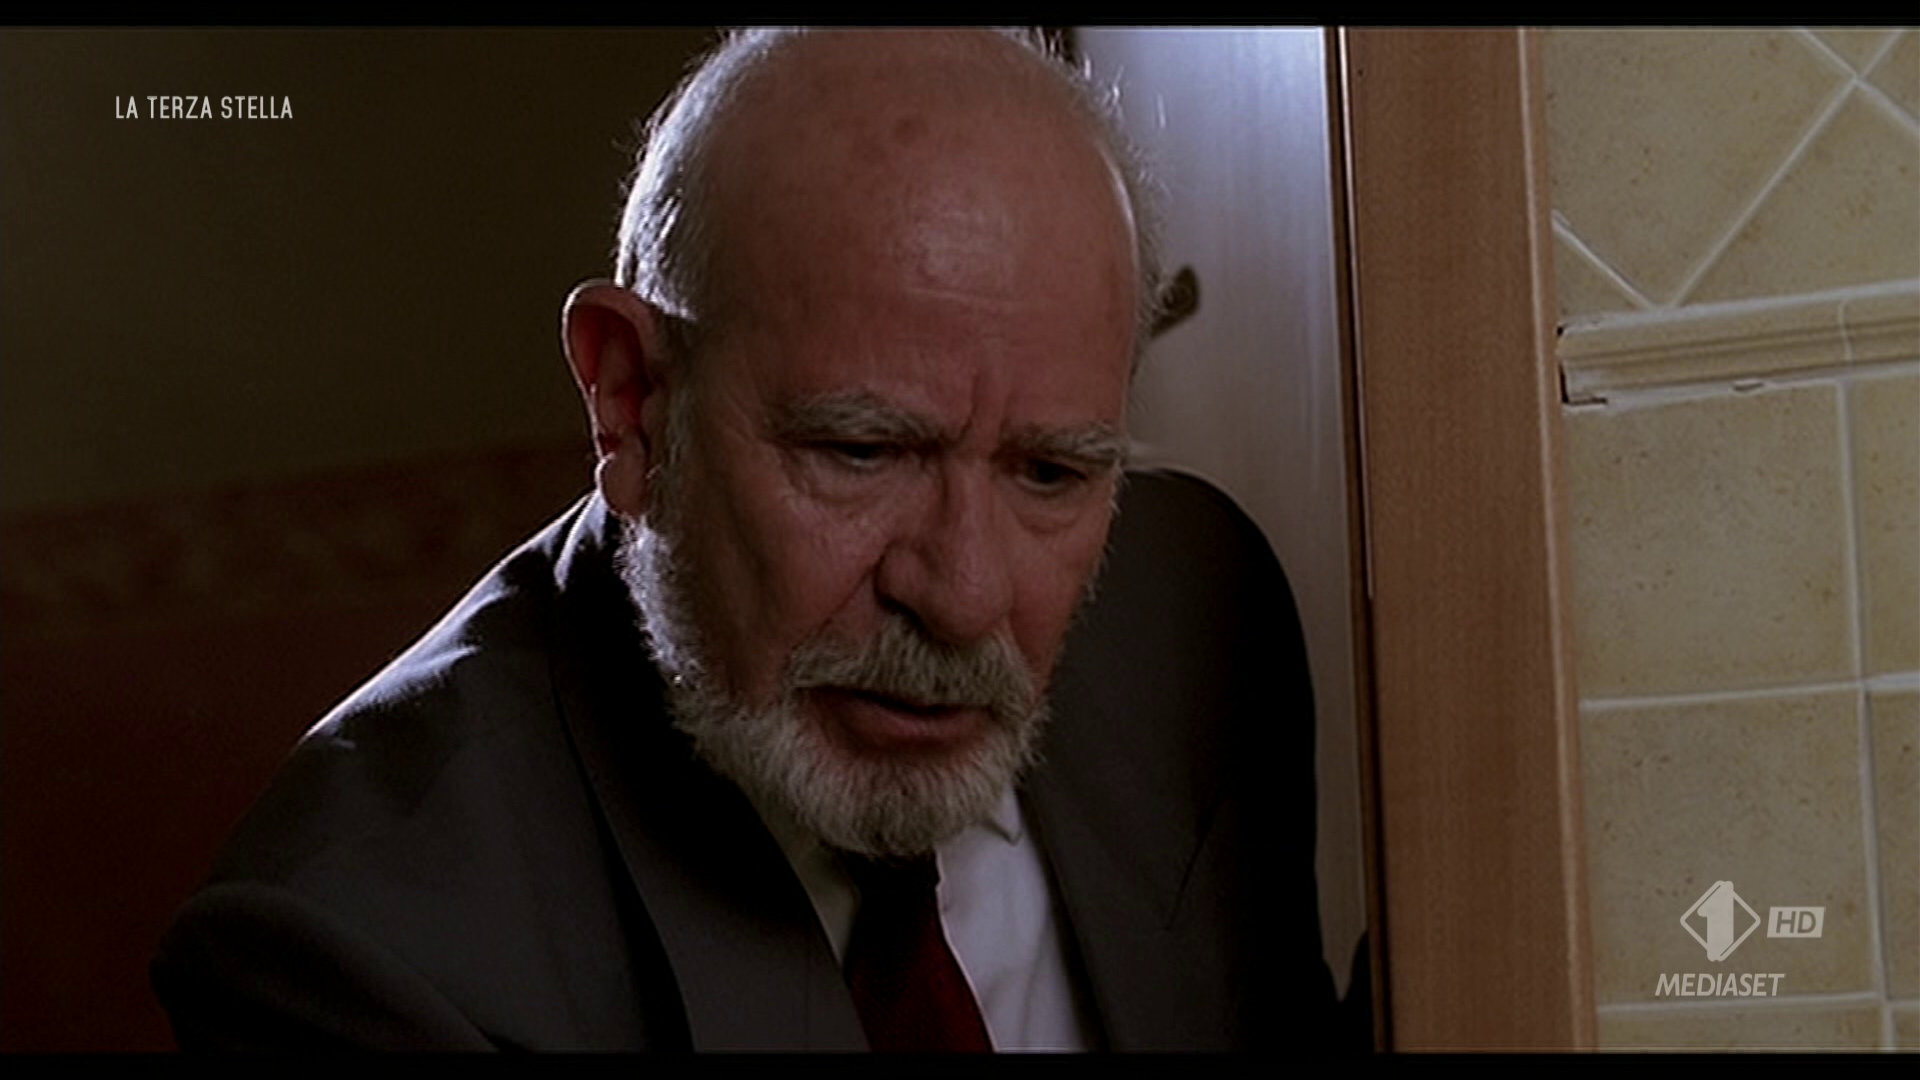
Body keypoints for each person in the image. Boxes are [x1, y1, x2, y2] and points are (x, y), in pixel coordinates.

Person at [152, 27, 1342, 1052]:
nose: (966, 595)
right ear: (631, 403)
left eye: (1052, 473)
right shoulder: (357, 951)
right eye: (862, 452)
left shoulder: (1201, 605)